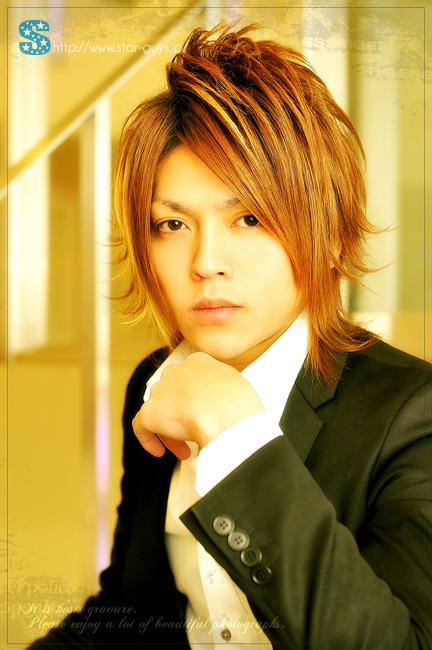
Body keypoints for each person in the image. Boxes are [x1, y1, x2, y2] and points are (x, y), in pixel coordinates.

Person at [30, 23, 431, 649]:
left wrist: (237, 437)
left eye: (248, 217)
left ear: (327, 232)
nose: (205, 262)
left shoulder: (412, 414)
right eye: (171, 224)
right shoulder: (157, 384)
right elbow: (133, 610)